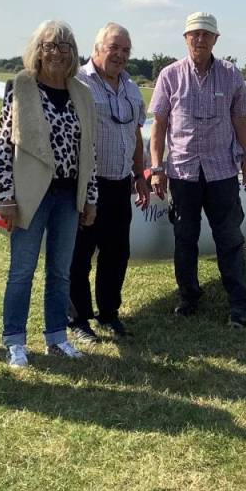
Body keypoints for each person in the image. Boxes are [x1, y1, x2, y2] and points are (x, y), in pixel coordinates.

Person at [0, 20, 98, 368]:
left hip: (68, 196)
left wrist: (90, 198)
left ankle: (56, 336)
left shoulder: (81, 93)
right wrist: (6, 196)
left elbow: (88, 151)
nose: (56, 52)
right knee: (22, 270)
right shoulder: (21, 86)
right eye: (50, 45)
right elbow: (5, 145)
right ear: (38, 49)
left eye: (64, 46)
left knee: (60, 271)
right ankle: (15, 341)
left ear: (73, 54)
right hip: (30, 194)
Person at [148, 11, 246, 328]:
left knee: (229, 238)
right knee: (185, 238)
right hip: (182, 172)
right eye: (194, 34)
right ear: (185, 38)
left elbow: (240, 119)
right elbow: (159, 125)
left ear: (215, 39)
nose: (200, 39)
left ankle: (239, 305)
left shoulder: (231, 75)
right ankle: (189, 298)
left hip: (222, 171)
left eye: (206, 34)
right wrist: (157, 167)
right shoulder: (169, 75)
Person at [68, 22, 150, 343]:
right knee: (80, 254)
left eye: (126, 50)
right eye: (114, 47)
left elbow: (136, 134)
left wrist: (140, 174)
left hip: (119, 183)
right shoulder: (78, 82)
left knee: (117, 252)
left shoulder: (132, 87)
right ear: (97, 48)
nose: (120, 55)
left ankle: (109, 313)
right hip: (87, 183)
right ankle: (78, 319)